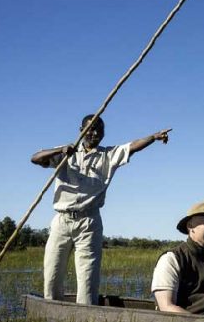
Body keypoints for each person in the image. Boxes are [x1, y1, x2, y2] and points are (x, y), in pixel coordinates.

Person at [32, 114, 171, 305]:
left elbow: (133, 146)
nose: (95, 132)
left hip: (89, 222)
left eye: (100, 129)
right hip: (62, 220)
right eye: (90, 128)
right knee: (52, 271)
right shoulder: (65, 152)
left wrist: (153, 137)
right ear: (81, 130)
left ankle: (85, 313)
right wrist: (63, 151)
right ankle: (53, 307)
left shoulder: (108, 155)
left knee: (88, 275)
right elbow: (35, 158)